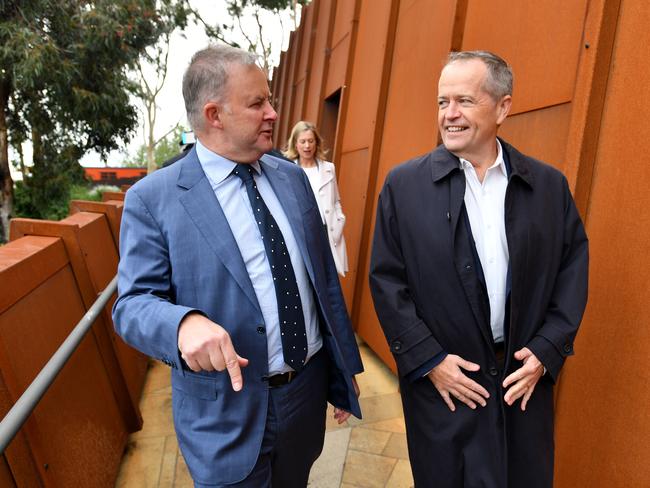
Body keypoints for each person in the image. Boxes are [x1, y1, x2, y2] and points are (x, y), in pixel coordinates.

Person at [112, 45, 363, 487]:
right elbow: (131, 304)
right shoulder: (153, 199)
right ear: (214, 114)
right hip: (222, 416)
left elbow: (322, 279)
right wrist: (181, 324)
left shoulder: (290, 177)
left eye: (270, 100)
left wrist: (344, 372)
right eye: (257, 103)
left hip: (304, 397)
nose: (272, 113)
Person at [369, 50, 588, 487]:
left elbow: (572, 269)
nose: (449, 115)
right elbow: (387, 282)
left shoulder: (548, 186)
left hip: (521, 384)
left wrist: (548, 350)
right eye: (441, 102)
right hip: (445, 389)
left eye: (464, 101)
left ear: (503, 106)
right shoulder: (403, 186)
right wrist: (429, 361)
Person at [284, 121, 348, 276]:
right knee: (303, 277)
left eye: (311, 141)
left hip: (326, 232)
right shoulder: (288, 169)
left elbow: (335, 200)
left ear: (316, 143)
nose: (307, 146)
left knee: (328, 277)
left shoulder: (328, 168)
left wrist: (339, 219)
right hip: (301, 232)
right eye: (303, 141)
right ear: (295, 144)